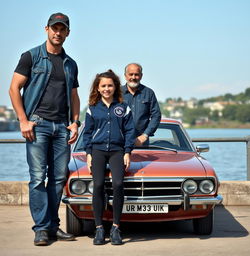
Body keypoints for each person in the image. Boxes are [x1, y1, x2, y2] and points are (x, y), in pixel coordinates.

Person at [9, 12, 80, 246]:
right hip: (37, 125)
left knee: (59, 178)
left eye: (62, 29)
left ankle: (52, 226)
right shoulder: (31, 57)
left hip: (61, 127)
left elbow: (73, 95)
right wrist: (23, 120)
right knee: (38, 178)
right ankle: (41, 228)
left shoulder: (70, 64)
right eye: (54, 28)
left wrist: (75, 122)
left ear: (67, 33)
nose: (57, 32)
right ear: (46, 29)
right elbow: (14, 89)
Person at [83, 70, 135, 245]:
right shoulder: (92, 108)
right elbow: (87, 133)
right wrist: (88, 154)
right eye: (103, 86)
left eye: (110, 85)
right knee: (98, 185)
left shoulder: (123, 107)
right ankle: (99, 229)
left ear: (115, 87)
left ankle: (115, 227)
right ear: (98, 88)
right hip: (97, 151)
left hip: (117, 151)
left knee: (118, 184)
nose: (107, 89)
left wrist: (127, 151)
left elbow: (129, 131)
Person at [122, 63, 161, 146]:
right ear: (125, 76)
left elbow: (156, 115)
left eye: (136, 74)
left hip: (141, 142)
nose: (133, 77)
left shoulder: (149, 93)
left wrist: (145, 135)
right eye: (131, 74)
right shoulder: (117, 93)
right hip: (120, 142)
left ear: (141, 76)